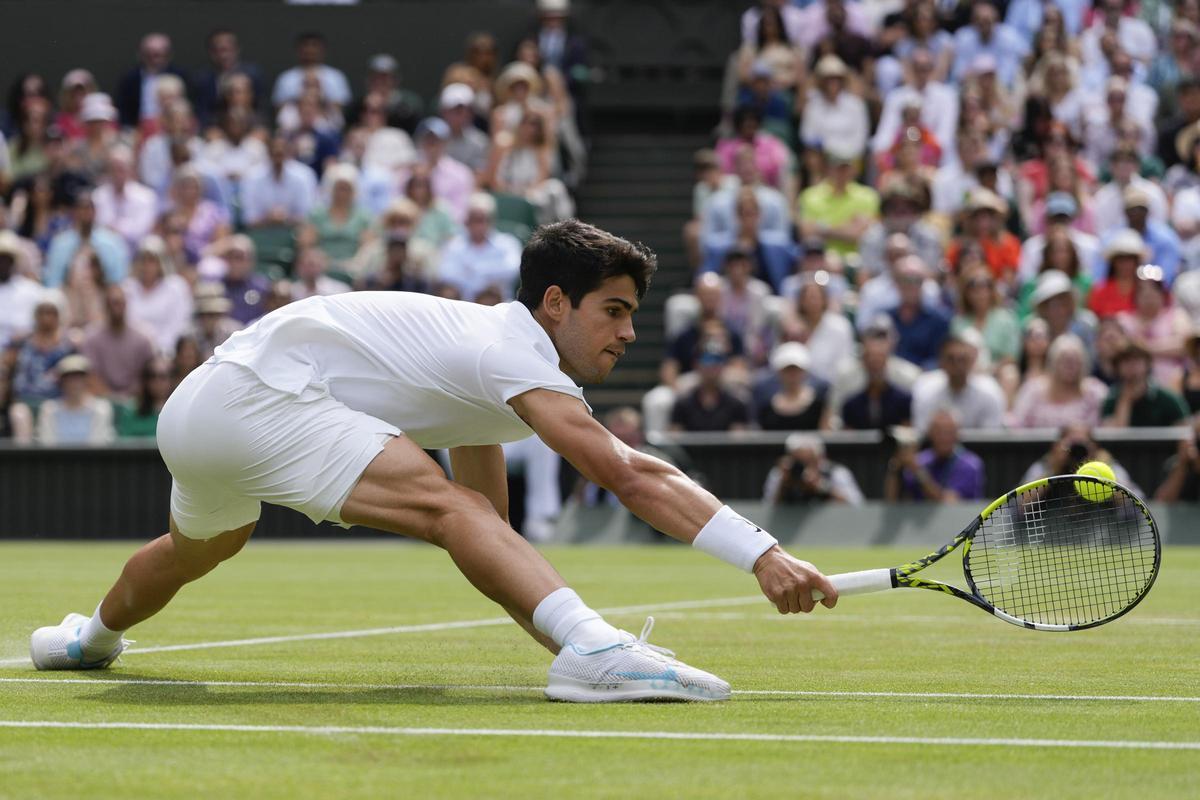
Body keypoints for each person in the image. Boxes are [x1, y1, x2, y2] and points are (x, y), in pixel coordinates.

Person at [29, 220, 842, 704]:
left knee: (197, 548)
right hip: (259, 395)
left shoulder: (474, 361)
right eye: (614, 311)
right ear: (554, 304)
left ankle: (85, 642)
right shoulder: (508, 348)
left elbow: (484, 534)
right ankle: (595, 652)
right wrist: (762, 553)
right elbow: (625, 470)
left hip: (200, 410)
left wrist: (559, 633)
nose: (628, 333)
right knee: (450, 509)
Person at [911, 330, 1005, 433]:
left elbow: (991, 438)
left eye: (962, 359)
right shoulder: (926, 390)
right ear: (940, 361)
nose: (957, 365)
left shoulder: (990, 393)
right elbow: (921, 433)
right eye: (951, 359)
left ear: (972, 361)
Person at [1008, 333, 1108, 428]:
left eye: (1075, 361)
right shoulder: (1032, 391)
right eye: (1064, 360)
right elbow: (1017, 425)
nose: (1070, 366)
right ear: (1052, 363)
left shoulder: (1096, 393)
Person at [885, 409, 986, 502]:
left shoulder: (970, 465)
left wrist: (918, 471)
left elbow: (949, 503)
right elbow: (891, 500)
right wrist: (895, 468)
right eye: (939, 432)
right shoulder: (922, 459)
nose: (943, 437)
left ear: (957, 434)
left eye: (948, 432)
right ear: (930, 434)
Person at [437, 193, 522, 301]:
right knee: (447, 293)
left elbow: (512, 269)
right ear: (467, 221)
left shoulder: (507, 243)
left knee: (490, 294)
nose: (478, 225)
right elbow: (444, 272)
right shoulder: (454, 244)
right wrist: (486, 275)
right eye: (474, 219)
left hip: (495, 303)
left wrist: (474, 271)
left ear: (491, 220)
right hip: (462, 301)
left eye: (482, 219)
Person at [80, 284, 155, 402]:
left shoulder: (142, 340)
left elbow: (147, 376)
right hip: (101, 401)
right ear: (105, 306)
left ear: (126, 304)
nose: (116, 308)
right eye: (112, 303)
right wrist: (111, 398)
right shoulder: (91, 339)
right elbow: (91, 376)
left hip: (136, 401)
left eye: (119, 303)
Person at [122, 236, 193, 356]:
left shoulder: (176, 287)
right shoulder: (127, 288)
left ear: (161, 262)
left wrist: (162, 348)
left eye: (151, 260)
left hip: (169, 353)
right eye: (142, 260)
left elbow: (179, 324)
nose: (146, 266)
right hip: (132, 353)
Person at [1020, 423, 1139, 492]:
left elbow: (1134, 508)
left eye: (1082, 444)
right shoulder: (1048, 463)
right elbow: (1018, 510)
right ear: (1058, 446)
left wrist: (1105, 473)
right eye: (1072, 444)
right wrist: (1053, 471)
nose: (1077, 451)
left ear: (1094, 447)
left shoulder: (1105, 464)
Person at [31, 354, 115, 445]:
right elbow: (47, 445)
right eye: (69, 378)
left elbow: (100, 446)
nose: (75, 383)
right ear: (62, 381)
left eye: (79, 377)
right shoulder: (49, 409)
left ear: (87, 379)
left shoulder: (101, 409)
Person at [1101, 342, 1189, 427]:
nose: (1132, 366)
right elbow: (1112, 435)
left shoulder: (1168, 399)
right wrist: (1125, 401)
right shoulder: (1111, 399)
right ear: (1117, 366)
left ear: (1147, 363)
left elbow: (1184, 432)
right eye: (1126, 360)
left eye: (1136, 360)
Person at [763, 432, 863, 505]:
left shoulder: (836, 472)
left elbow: (856, 505)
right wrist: (784, 485)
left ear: (820, 458)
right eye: (798, 461)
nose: (803, 467)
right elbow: (767, 507)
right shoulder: (780, 474)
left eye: (808, 461)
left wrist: (821, 487)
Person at [670, 344, 750, 433]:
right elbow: (674, 439)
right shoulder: (682, 405)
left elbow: (738, 442)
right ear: (696, 364)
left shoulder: (736, 405)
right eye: (707, 360)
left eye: (717, 361)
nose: (712, 366)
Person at [756, 342, 829, 431]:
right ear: (779, 372)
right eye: (787, 370)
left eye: (796, 370)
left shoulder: (819, 404)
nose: (792, 375)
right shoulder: (766, 408)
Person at [271, 32, 352, 110]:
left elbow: (342, 106)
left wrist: (319, 98)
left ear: (322, 49)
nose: (310, 49)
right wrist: (302, 99)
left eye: (314, 45)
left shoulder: (335, 76)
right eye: (306, 45)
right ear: (298, 50)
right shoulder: (286, 77)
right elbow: (279, 107)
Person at [0, 231, 42, 349]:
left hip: (22, 352)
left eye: (7, 259)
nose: (3, 264)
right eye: (0, 259)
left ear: (13, 261)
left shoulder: (31, 291)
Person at [115, 356, 173, 439]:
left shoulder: (178, 411)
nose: (157, 381)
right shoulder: (130, 411)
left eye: (162, 376)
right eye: (152, 376)